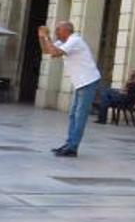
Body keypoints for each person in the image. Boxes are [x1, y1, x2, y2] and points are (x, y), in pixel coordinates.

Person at [36, 22, 101, 158]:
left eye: (58, 29)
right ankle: (70, 143)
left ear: (67, 30)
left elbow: (55, 52)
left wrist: (47, 37)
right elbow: (48, 51)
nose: (56, 32)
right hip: (81, 82)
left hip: (88, 81)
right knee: (73, 115)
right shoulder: (65, 41)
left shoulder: (74, 40)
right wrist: (42, 37)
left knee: (79, 116)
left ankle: (72, 147)